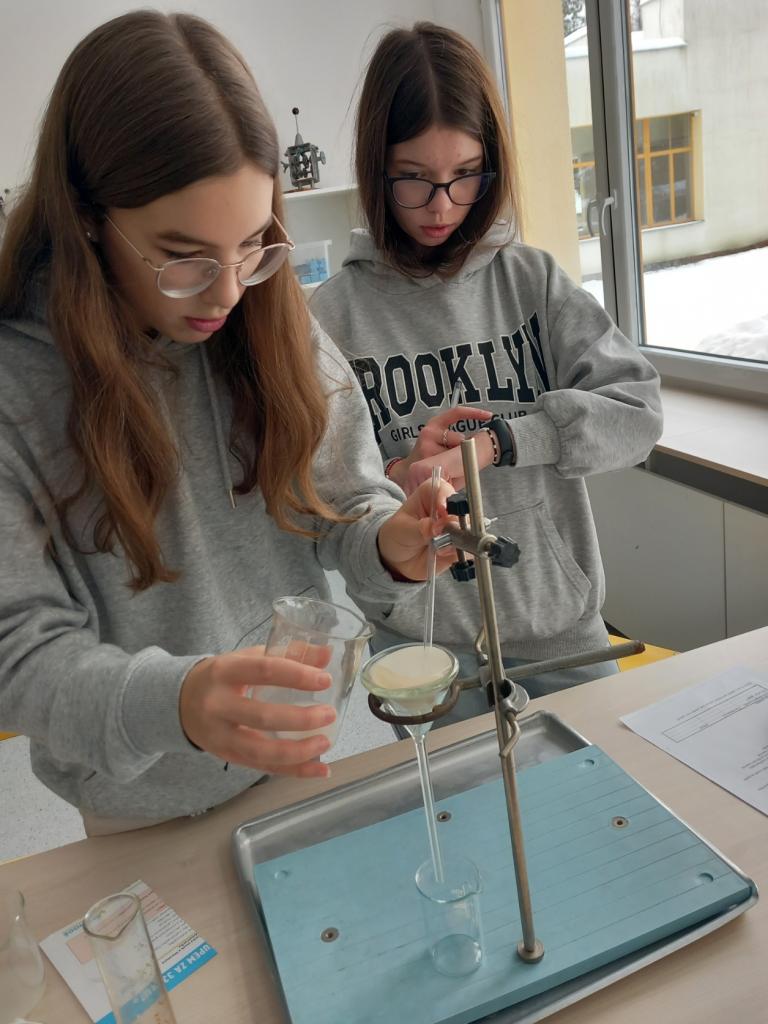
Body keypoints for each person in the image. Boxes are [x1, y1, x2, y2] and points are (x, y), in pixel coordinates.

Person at [0, 11, 456, 832]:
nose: (227, 292)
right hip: (134, 806)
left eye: (251, 244)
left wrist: (391, 540)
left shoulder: (266, 311)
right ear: (87, 216)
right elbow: (21, 654)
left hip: (293, 758)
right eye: (183, 256)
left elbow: (344, 501)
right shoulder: (17, 388)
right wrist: (176, 703)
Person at [311, 22, 664, 713]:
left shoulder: (531, 280)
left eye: (465, 174)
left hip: (564, 631)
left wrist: (501, 442)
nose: (442, 205)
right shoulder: (331, 318)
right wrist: (401, 477)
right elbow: (327, 505)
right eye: (414, 179)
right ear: (375, 169)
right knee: (455, 790)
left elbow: (638, 414)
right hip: (425, 652)